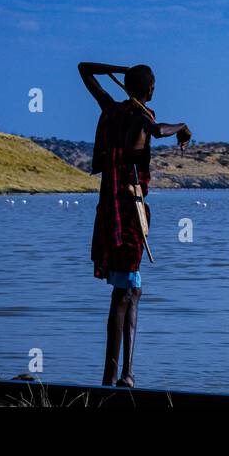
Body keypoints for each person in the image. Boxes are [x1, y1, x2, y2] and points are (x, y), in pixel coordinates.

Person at [78, 61, 189, 388]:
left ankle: (123, 374)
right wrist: (182, 125)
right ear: (150, 90)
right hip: (127, 212)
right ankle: (113, 377)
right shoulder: (141, 117)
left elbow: (84, 69)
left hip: (112, 209)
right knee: (123, 293)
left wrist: (122, 71)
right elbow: (158, 130)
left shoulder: (112, 108)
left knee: (131, 289)